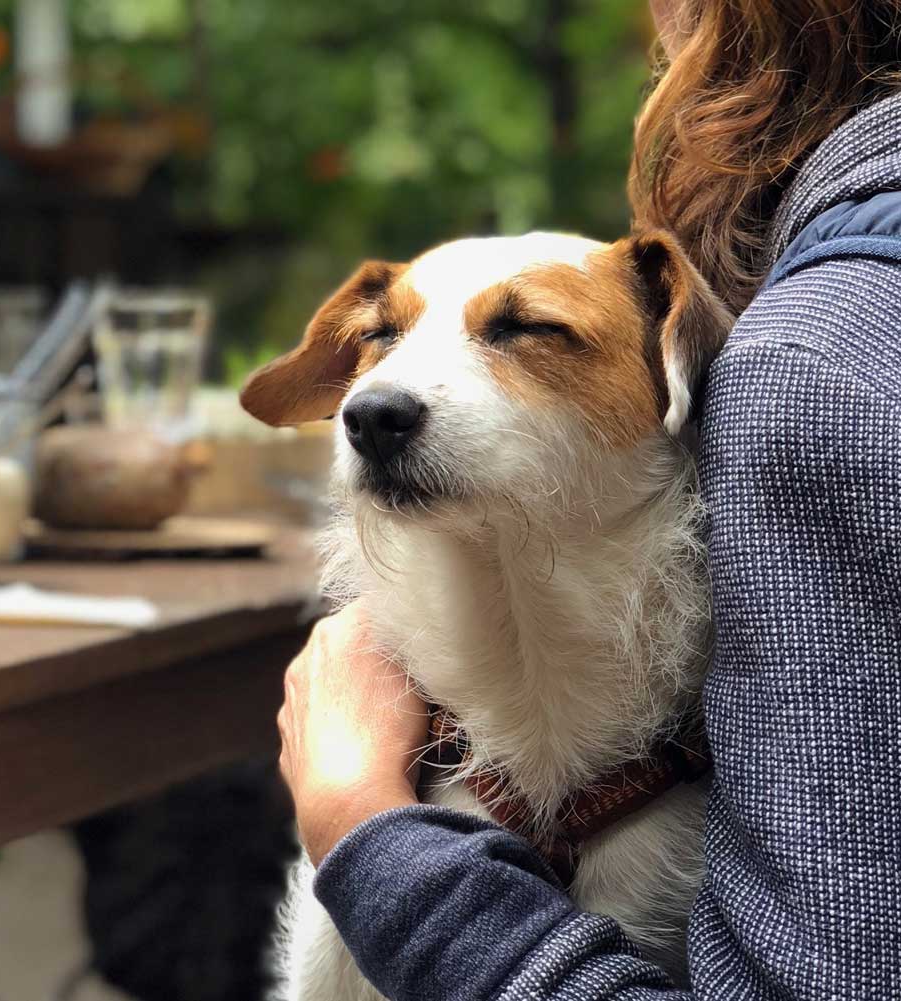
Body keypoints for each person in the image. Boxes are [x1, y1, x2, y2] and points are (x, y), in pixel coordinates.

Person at [277, 1, 901, 997]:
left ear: (682, 375)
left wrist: (361, 817)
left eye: (525, 330)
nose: (376, 400)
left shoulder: (814, 357)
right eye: (382, 338)